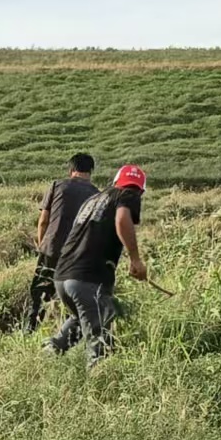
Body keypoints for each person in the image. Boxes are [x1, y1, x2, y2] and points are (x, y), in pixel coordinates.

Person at [46, 164, 148, 368]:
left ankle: (46, 358)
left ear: (115, 181)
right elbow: (122, 219)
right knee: (100, 341)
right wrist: (135, 259)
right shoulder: (128, 194)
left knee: (80, 318)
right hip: (88, 278)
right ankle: (99, 380)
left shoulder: (94, 199)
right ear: (141, 191)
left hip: (63, 275)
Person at [27, 152, 100, 329]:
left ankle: (30, 328)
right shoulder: (97, 195)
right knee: (72, 299)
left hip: (51, 248)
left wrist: (42, 244)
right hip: (77, 255)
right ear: (91, 171)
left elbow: (43, 221)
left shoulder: (57, 186)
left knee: (40, 292)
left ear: (71, 170)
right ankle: (67, 334)